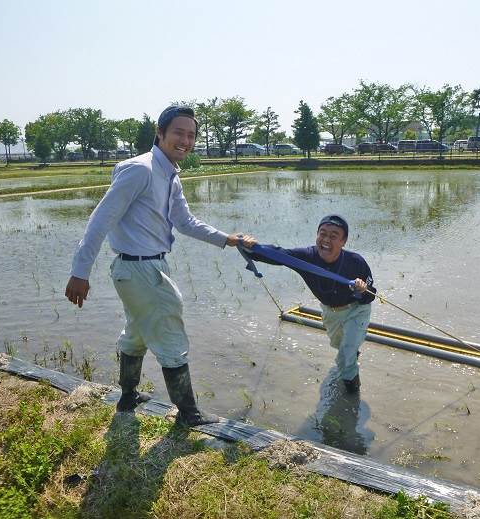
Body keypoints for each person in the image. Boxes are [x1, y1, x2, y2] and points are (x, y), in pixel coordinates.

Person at [65, 105, 255, 426]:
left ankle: (127, 397)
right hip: (140, 270)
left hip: (142, 269)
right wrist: (80, 272)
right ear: (160, 132)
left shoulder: (168, 175)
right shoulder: (141, 170)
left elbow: (185, 222)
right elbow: (100, 220)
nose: (185, 140)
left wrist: (228, 239)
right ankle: (189, 413)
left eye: (191, 135)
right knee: (171, 332)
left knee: (137, 333)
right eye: (179, 132)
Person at [248, 215, 375, 392]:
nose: (326, 240)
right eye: (322, 234)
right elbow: (280, 255)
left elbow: (371, 295)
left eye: (333, 236)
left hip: (356, 310)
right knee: (341, 346)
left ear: (343, 241)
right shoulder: (307, 257)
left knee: (346, 353)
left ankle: (351, 393)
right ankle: (352, 355)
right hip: (330, 312)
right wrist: (251, 248)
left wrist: (361, 290)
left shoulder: (356, 262)